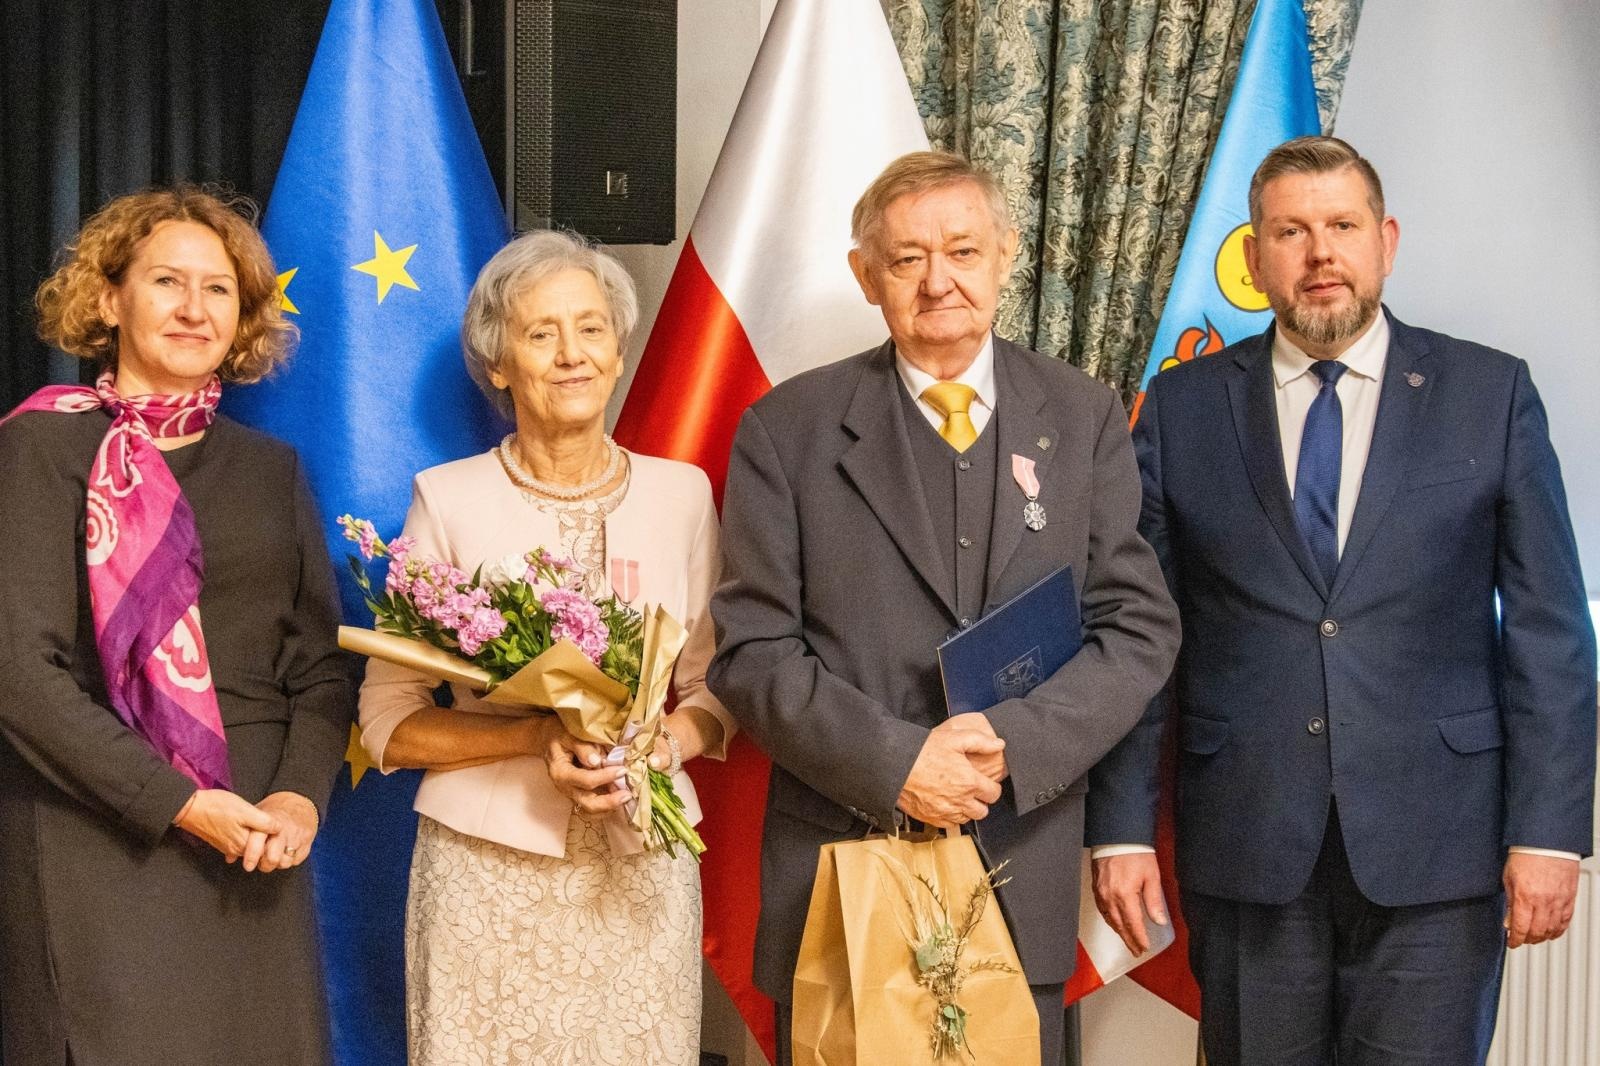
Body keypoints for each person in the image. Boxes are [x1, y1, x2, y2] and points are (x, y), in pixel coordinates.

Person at [1088, 135, 1597, 1065]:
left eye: (1342, 226)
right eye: (1291, 231)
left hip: (1439, 853)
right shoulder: (1181, 407)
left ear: (1386, 241)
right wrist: (1118, 827)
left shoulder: (1490, 394)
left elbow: (1550, 633)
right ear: (1253, 257)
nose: (1320, 253)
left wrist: (1551, 835)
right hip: (1250, 848)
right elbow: (1139, 640)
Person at [707, 150, 1180, 1064]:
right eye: (907, 258)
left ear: (1006, 256)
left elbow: (1137, 625)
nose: (938, 282)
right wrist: (898, 762)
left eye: (963, 250)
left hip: (1024, 869)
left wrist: (1015, 745)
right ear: (865, 275)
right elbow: (753, 651)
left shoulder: (1083, 416)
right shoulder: (787, 429)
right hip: (839, 876)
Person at [356, 229, 734, 1065]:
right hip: (485, 878)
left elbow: (718, 691)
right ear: (499, 363)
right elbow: (387, 722)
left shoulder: (684, 496)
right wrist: (532, 737)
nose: (572, 355)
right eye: (540, 334)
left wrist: (663, 743)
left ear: (619, 348)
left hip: (643, 874)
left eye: (591, 328)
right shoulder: (445, 501)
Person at [0, 186, 353, 1065]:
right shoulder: (38, 450)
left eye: (219, 289)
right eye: (166, 282)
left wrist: (297, 798)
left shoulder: (272, 470)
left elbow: (318, 667)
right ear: (111, 297)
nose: (194, 309)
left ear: (242, 320)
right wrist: (183, 805)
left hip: (257, 852)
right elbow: (17, 672)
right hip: (102, 839)